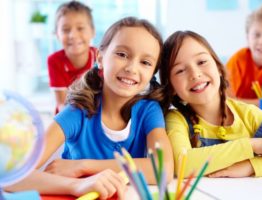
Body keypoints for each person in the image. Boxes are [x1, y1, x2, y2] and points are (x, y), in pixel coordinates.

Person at [6, 17, 173, 198]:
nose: (132, 68)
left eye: (145, 63)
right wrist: (76, 185)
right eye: (122, 54)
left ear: (152, 73)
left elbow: (162, 169)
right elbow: (12, 176)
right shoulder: (76, 112)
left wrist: (83, 166)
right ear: (100, 58)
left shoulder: (148, 111)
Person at [159, 30, 262, 178]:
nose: (195, 74)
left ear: (219, 68)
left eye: (201, 62)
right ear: (172, 88)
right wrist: (251, 145)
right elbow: (183, 164)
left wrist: (251, 166)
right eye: (180, 70)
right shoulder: (176, 119)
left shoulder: (249, 115)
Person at [48, 1, 97, 114]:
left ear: (93, 32)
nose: (73, 35)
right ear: (57, 35)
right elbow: (62, 104)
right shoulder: (54, 60)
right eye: (66, 30)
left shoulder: (101, 58)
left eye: (80, 28)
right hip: (67, 117)